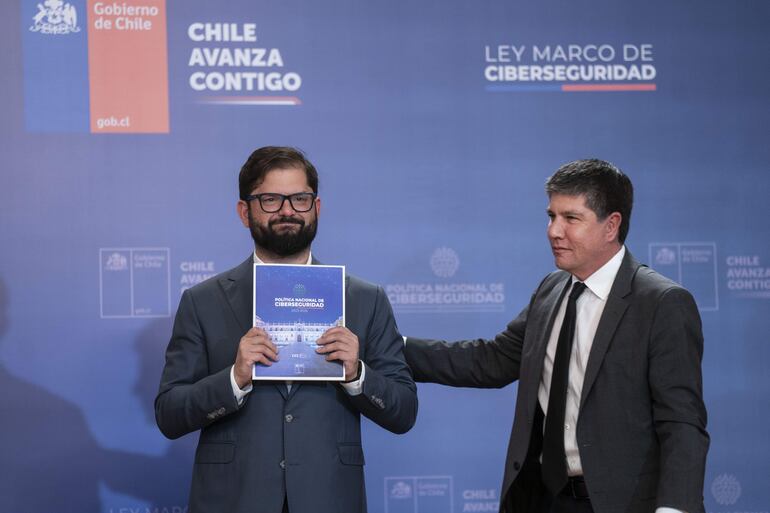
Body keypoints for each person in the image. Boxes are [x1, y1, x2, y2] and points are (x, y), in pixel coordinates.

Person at [404, 159, 708, 513]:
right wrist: (389, 347)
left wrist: (674, 508)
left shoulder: (661, 303)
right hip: (545, 499)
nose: (553, 231)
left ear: (611, 225)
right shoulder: (552, 289)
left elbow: (682, 422)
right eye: (551, 216)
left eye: (571, 218)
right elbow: (490, 360)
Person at [156, 146, 417, 513]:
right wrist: (234, 379)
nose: (288, 210)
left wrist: (358, 374)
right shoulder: (202, 301)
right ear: (244, 212)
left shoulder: (365, 299)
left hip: (329, 498)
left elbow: (403, 412)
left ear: (317, 207)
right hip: (233, 500)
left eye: (299, 198)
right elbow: (169, 414)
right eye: (270, 199)